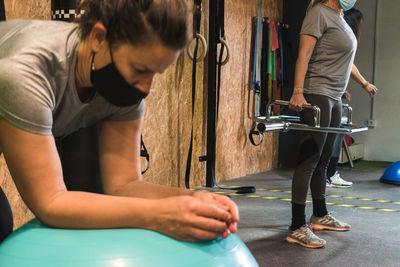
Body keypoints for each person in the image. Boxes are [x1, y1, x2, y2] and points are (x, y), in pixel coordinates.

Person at [0, 0, 238, 244]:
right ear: (98, 38)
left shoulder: (122, 86)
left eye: (156, 73)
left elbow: (125, 184)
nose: (146, 88)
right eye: (140, 69)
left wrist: (191, 199)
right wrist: (161, 215)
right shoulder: (26, 73)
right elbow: (50, 202)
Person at [286, 0, 376, 248]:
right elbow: (304, 54)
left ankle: (319, 214)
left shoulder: (340, 17)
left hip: (334, 96)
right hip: (317, 92)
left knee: (325, 160)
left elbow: (346, 61)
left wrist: (362, 83)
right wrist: (298, 91)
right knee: (309, 160)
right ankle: (296, 225)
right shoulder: (318, 14)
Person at [326, 7, 378, 188]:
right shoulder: (342, 35)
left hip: (333, 90)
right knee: (333, 133)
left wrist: (342, 89)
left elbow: (343, 66)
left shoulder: (343, 37)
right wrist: (365, 84)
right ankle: (328, 175)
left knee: (336, 133)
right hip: (325, 90)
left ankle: (329, 174)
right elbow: (347, 65)